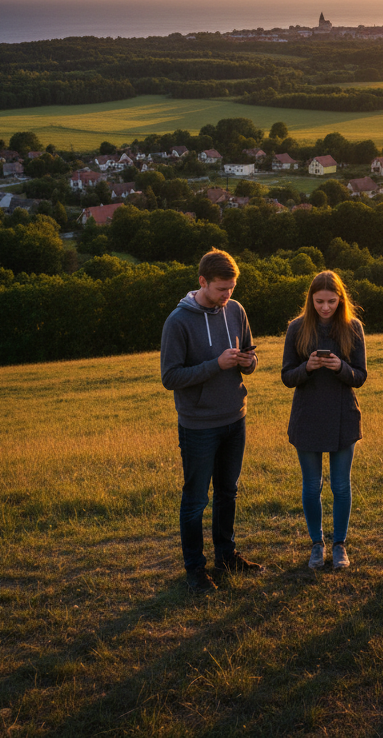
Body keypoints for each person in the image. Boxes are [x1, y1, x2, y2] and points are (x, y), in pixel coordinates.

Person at [161, 248, 262, 594]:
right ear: (202, 282)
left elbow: (249, 352)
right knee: (195, 500)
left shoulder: (235, 310)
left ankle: (226, 556)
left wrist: (248, 362)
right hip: (198, 424)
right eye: (221, 289)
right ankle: (195, 570)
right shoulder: (178, 322)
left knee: (228, 492)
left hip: (235, 416)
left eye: (232, 288)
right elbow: (170, 377)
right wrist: (215, 365)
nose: (227, 296)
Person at [282, 270, 367, 570]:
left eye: (331, 301)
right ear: (311, 300)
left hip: (343, 415)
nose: (326, 307)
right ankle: (316, 545)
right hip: (307, 416)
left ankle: (339, 545)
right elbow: (286, 377)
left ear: (341, 299)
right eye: (319, 301)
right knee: (311, 486)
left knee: (341, 486)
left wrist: (339, 366)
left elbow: (360, 377)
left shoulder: (353, 328)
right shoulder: (296, 329)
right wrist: (307, 366)